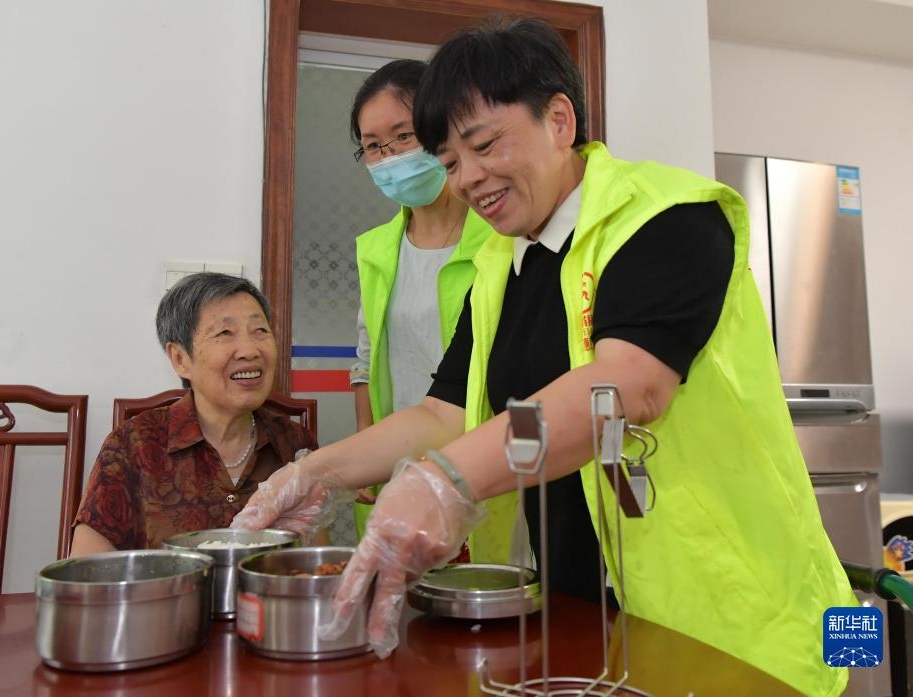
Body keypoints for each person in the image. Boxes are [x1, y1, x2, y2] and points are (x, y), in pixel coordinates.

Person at [234, 16, 854, 697]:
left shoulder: (666, 216)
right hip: (584, 613)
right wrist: (314, 473)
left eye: (483, 145)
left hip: (728, 617)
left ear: (559, 120)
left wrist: (446, 480)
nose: (469, 179)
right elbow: (443, 412)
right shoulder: (502, 263)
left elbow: (627, 386)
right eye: (449, 163)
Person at [347, 59, 514, 560]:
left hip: (488, 467)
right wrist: (366, 450)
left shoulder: (502, 235)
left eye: (403, 136)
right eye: (374, 146)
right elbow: (366, 359)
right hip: (400, 466)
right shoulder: (377, 249)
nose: (390, 157)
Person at [70, 273, 319, 555]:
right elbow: (87, 570)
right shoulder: (133, 445)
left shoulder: (294, 444)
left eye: (260, 330)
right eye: (225, 333)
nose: (250, 350)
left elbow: (316, 566)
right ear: (180, 359)